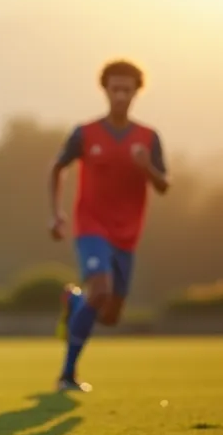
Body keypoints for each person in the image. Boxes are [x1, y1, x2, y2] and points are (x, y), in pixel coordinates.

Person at [48, 60, 169, 393]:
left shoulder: (148, 138)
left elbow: (163, 186)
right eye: (114, 89)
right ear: (105, 90)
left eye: (126, 90)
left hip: (126, 237)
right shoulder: (85, 133)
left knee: (111, 315)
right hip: (91, 227)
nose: (119, 95)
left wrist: (148, 168)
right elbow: (57, 168)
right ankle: (67, 375)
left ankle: (74, 303)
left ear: (135, 93)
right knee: (100, 291)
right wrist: (57, 213)